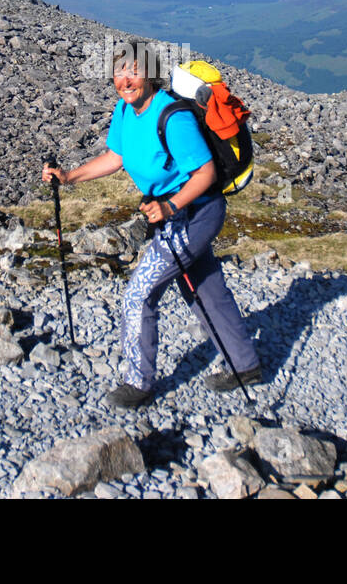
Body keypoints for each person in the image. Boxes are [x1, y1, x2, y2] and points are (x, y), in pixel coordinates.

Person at [41, 39, 262, 408]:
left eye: (134, 71)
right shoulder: (125, 111)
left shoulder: (173, 117)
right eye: (118, 73)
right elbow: (116, 156)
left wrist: (171, 206)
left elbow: (205, 173)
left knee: (139, 292)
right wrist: (69, 177)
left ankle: (138, 383)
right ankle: (245, 364)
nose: (125, 80)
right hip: (174, 214)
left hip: (194, 214)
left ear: (151, 74)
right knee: (204, 286)